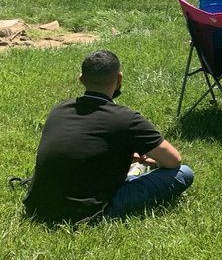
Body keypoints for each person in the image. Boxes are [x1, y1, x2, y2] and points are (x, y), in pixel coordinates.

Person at [23, 50, 194, 223]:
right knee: (183, 173)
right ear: (119, 79)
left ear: (81, 79)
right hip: (86, 210)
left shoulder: (59, 109)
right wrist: (152, 160)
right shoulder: (127, 119)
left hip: (39, 204)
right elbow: (174, 160)